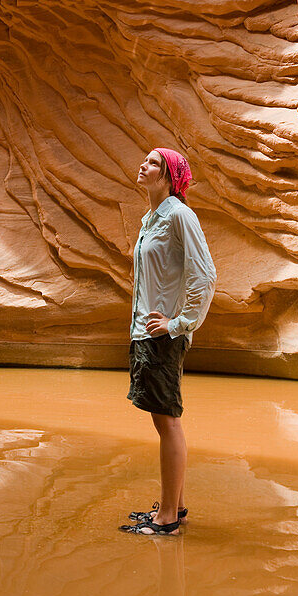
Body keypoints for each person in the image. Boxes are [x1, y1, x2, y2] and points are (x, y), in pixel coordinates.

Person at [119, 148, 216, 537]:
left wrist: (180, 323)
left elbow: (205, 275)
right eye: (142, 159)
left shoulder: (178, 215)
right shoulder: (152, 218)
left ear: (170, 177)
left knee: (167, 422)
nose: (143, 165)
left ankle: (169, 518)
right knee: (165, 420)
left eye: (153, 163)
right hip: (148, 332)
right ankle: (174, 505)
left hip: (162, 335)